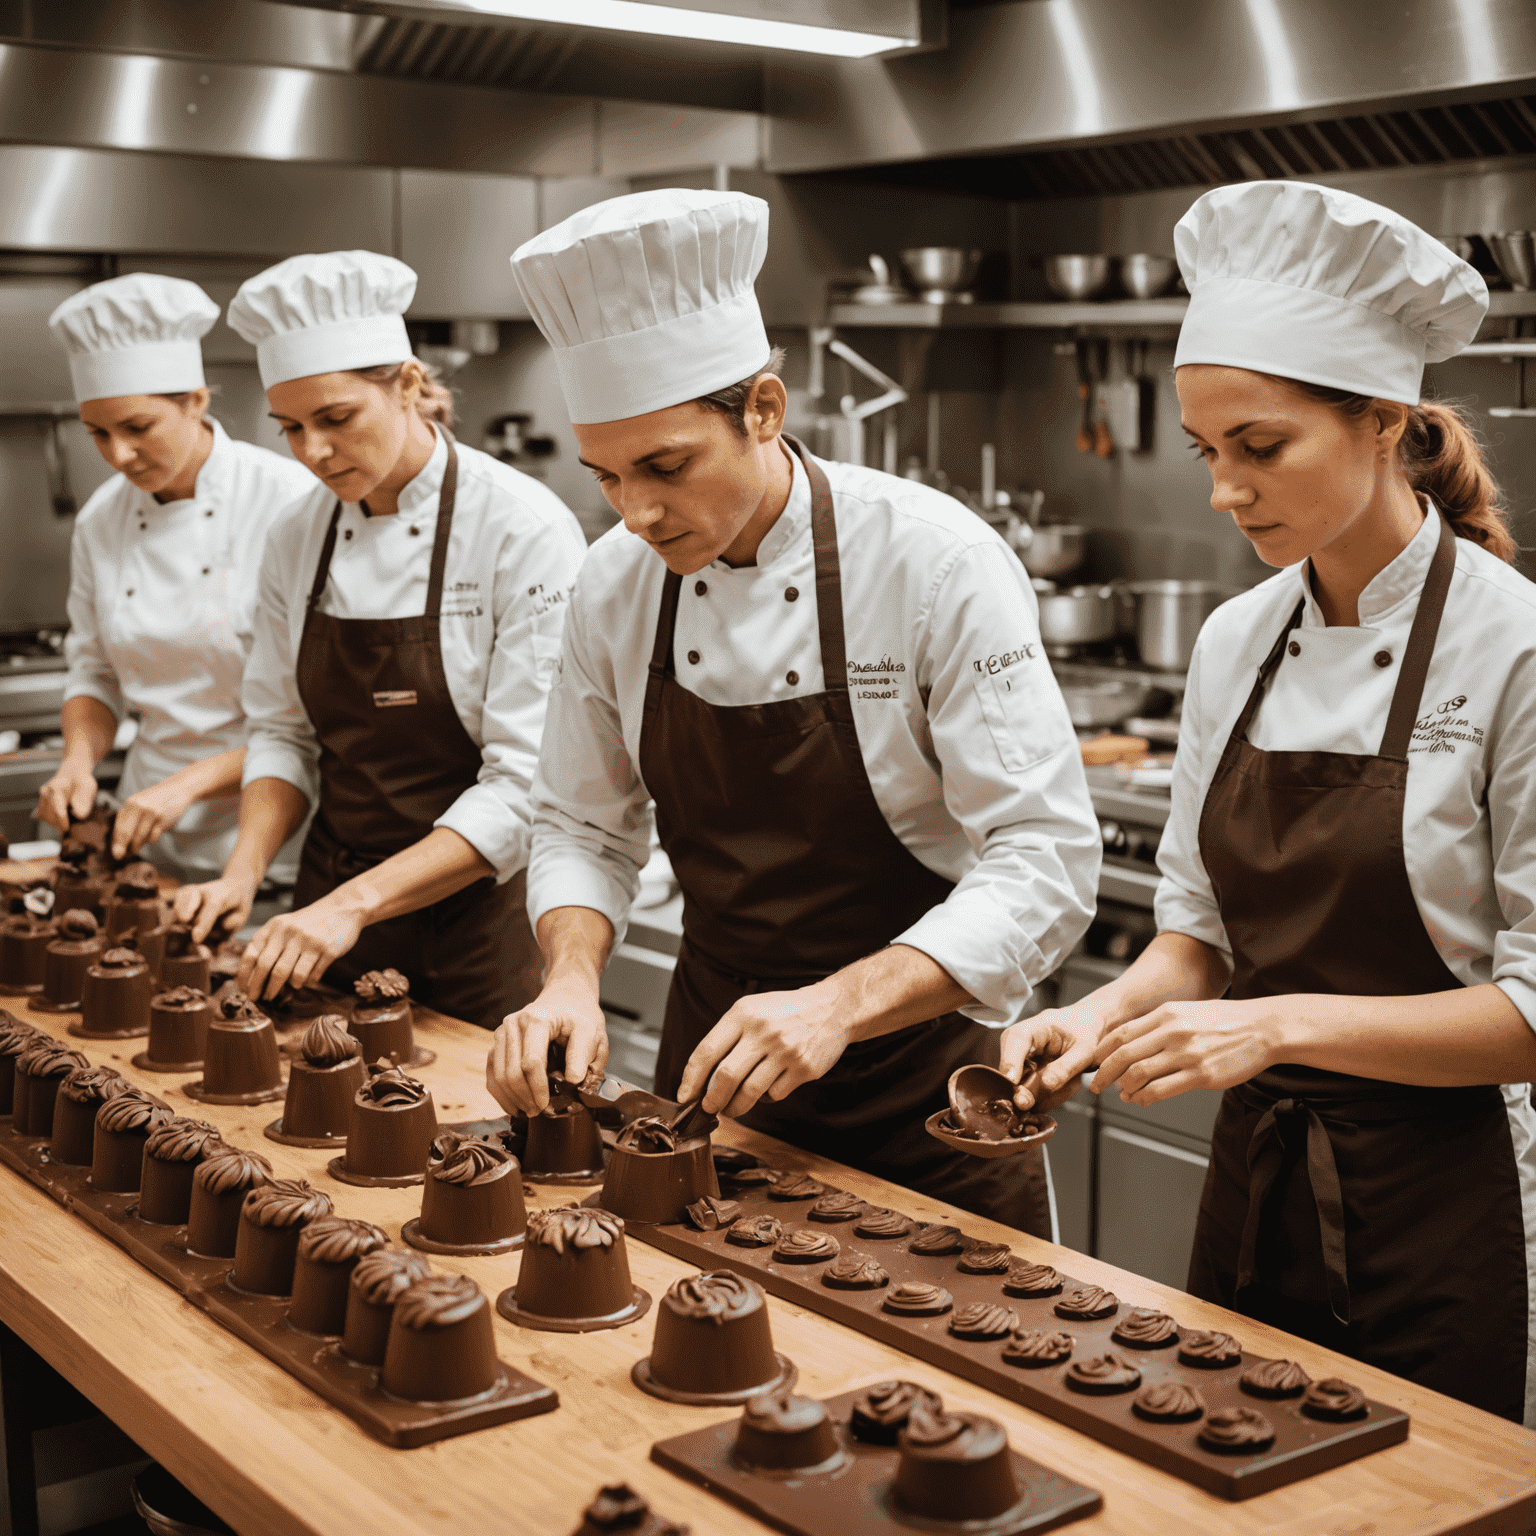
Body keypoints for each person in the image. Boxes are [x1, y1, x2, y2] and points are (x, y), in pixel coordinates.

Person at [999, 181, 1536, 1425]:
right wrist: (1094, 1019)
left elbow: (1528, 1014)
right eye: (1208, 451)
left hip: (1447, 1200)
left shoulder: (1511, 650)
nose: (1223, 491)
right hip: (1257, 1175)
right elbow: (1196, 940)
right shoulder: (1239, 638)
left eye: (1261, 447)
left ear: (1384, 421)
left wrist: (1273, 1026)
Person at [485, 189, 1100, 1233]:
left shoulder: (932, 561)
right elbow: (584, 822)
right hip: (714, 1089)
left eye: (666, 468)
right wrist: (571, 979)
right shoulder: (613, 583)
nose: (635, 513)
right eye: (606, 478)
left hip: (926, 1097)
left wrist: (836, 1006)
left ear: (764, 411)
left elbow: (1042, 858)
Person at [174, 250, 587, 1029]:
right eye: (291, 427)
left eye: (336, 419)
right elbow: (282, 733)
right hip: (324, 910)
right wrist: (242, 872)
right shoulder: (298, 532)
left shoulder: (520, 530)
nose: (313, 453)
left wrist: (354, 905)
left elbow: (525, 786)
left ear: (407, 385)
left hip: (475, 919)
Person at [36, 274, 314, 879]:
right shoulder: (101, 521)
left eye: (137, 428)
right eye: (98, 434)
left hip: (276, 824)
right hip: (149, 821)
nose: (117, 456)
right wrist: (77, 763)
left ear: (196, 399)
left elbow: (316, 709)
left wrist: (189, 784)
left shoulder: (293, 504)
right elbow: (96, 670)